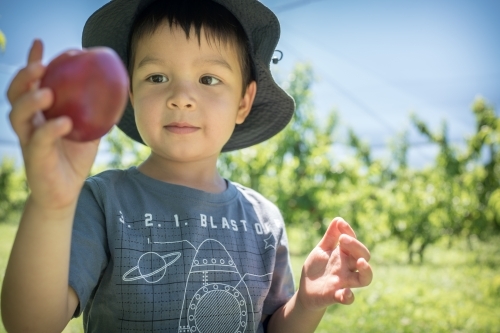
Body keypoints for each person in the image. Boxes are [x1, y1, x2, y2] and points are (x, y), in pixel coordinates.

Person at [1, 0, 373, 332]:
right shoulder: (102, 201)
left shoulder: (264, 219)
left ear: (243, 102)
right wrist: (50, 206)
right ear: (130, 92)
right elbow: (29, 324)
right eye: (157, 77)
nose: (180, 97)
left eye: (209, 79)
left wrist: (306, 302)